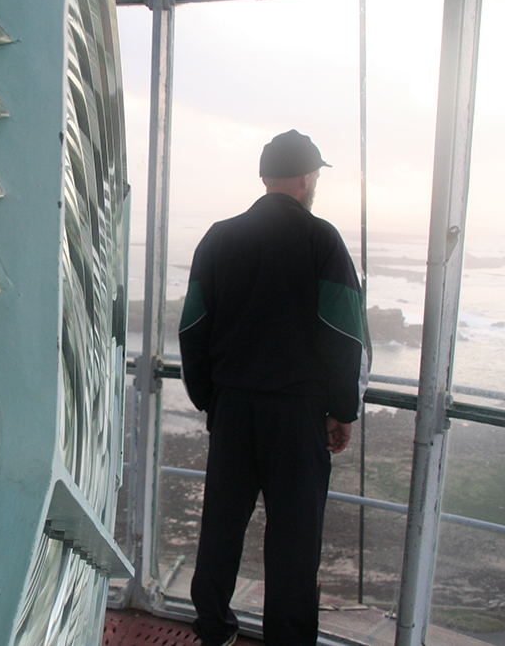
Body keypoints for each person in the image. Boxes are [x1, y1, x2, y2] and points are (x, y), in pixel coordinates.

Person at [179, 129, 368, 646]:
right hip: (297, 413)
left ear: (264, 178)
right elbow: (345, 334)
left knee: (221, 528)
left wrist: (210, 398)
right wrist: (341, 410)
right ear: (308, 179)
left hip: (235, 406)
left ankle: (214, 629)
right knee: (293, 540)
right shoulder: (322, 240)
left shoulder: (220, 236)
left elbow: (193, 328)